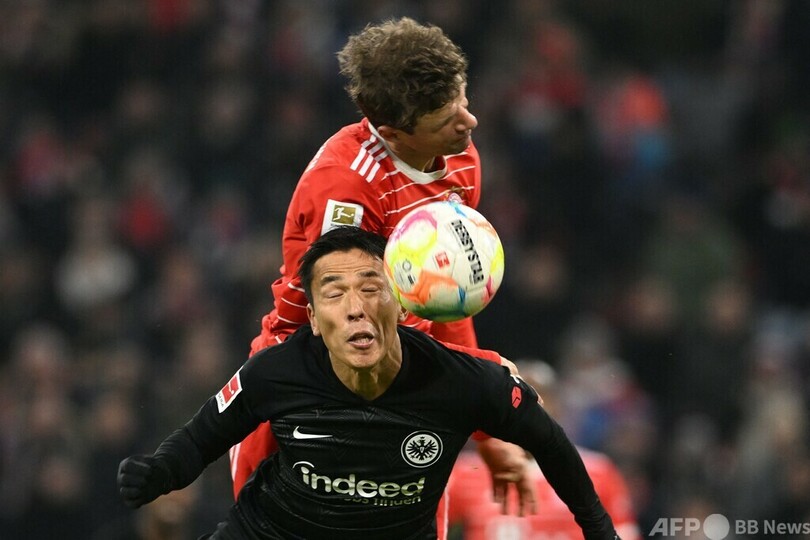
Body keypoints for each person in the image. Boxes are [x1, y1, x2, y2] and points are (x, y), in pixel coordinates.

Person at [118, 226, 621, 540]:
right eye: (334, 293)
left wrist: (599, 529)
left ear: (400, 304)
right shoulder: (276, 372)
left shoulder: (462, 381)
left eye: (370, 287)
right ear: (314, 320)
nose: (356, 307)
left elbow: (549, 442)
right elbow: (201, 438)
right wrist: (159, 472)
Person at [230, 16, 532, 529]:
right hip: (305, 390)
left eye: (463, 98)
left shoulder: (459, 160)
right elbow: (343, 326)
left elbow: (444, 304)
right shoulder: (347, 190)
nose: (469, 122)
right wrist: (480, 383)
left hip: (400, 381)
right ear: (392, 132)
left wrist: (487, 431)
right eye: (446, 118)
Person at [448, 359, 641, 540]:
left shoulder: (597, 471)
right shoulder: (465, 472)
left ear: (557, 408)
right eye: (517, 398)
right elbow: (435, 526)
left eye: (539, 397)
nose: (527, 410)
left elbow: (625, 533)